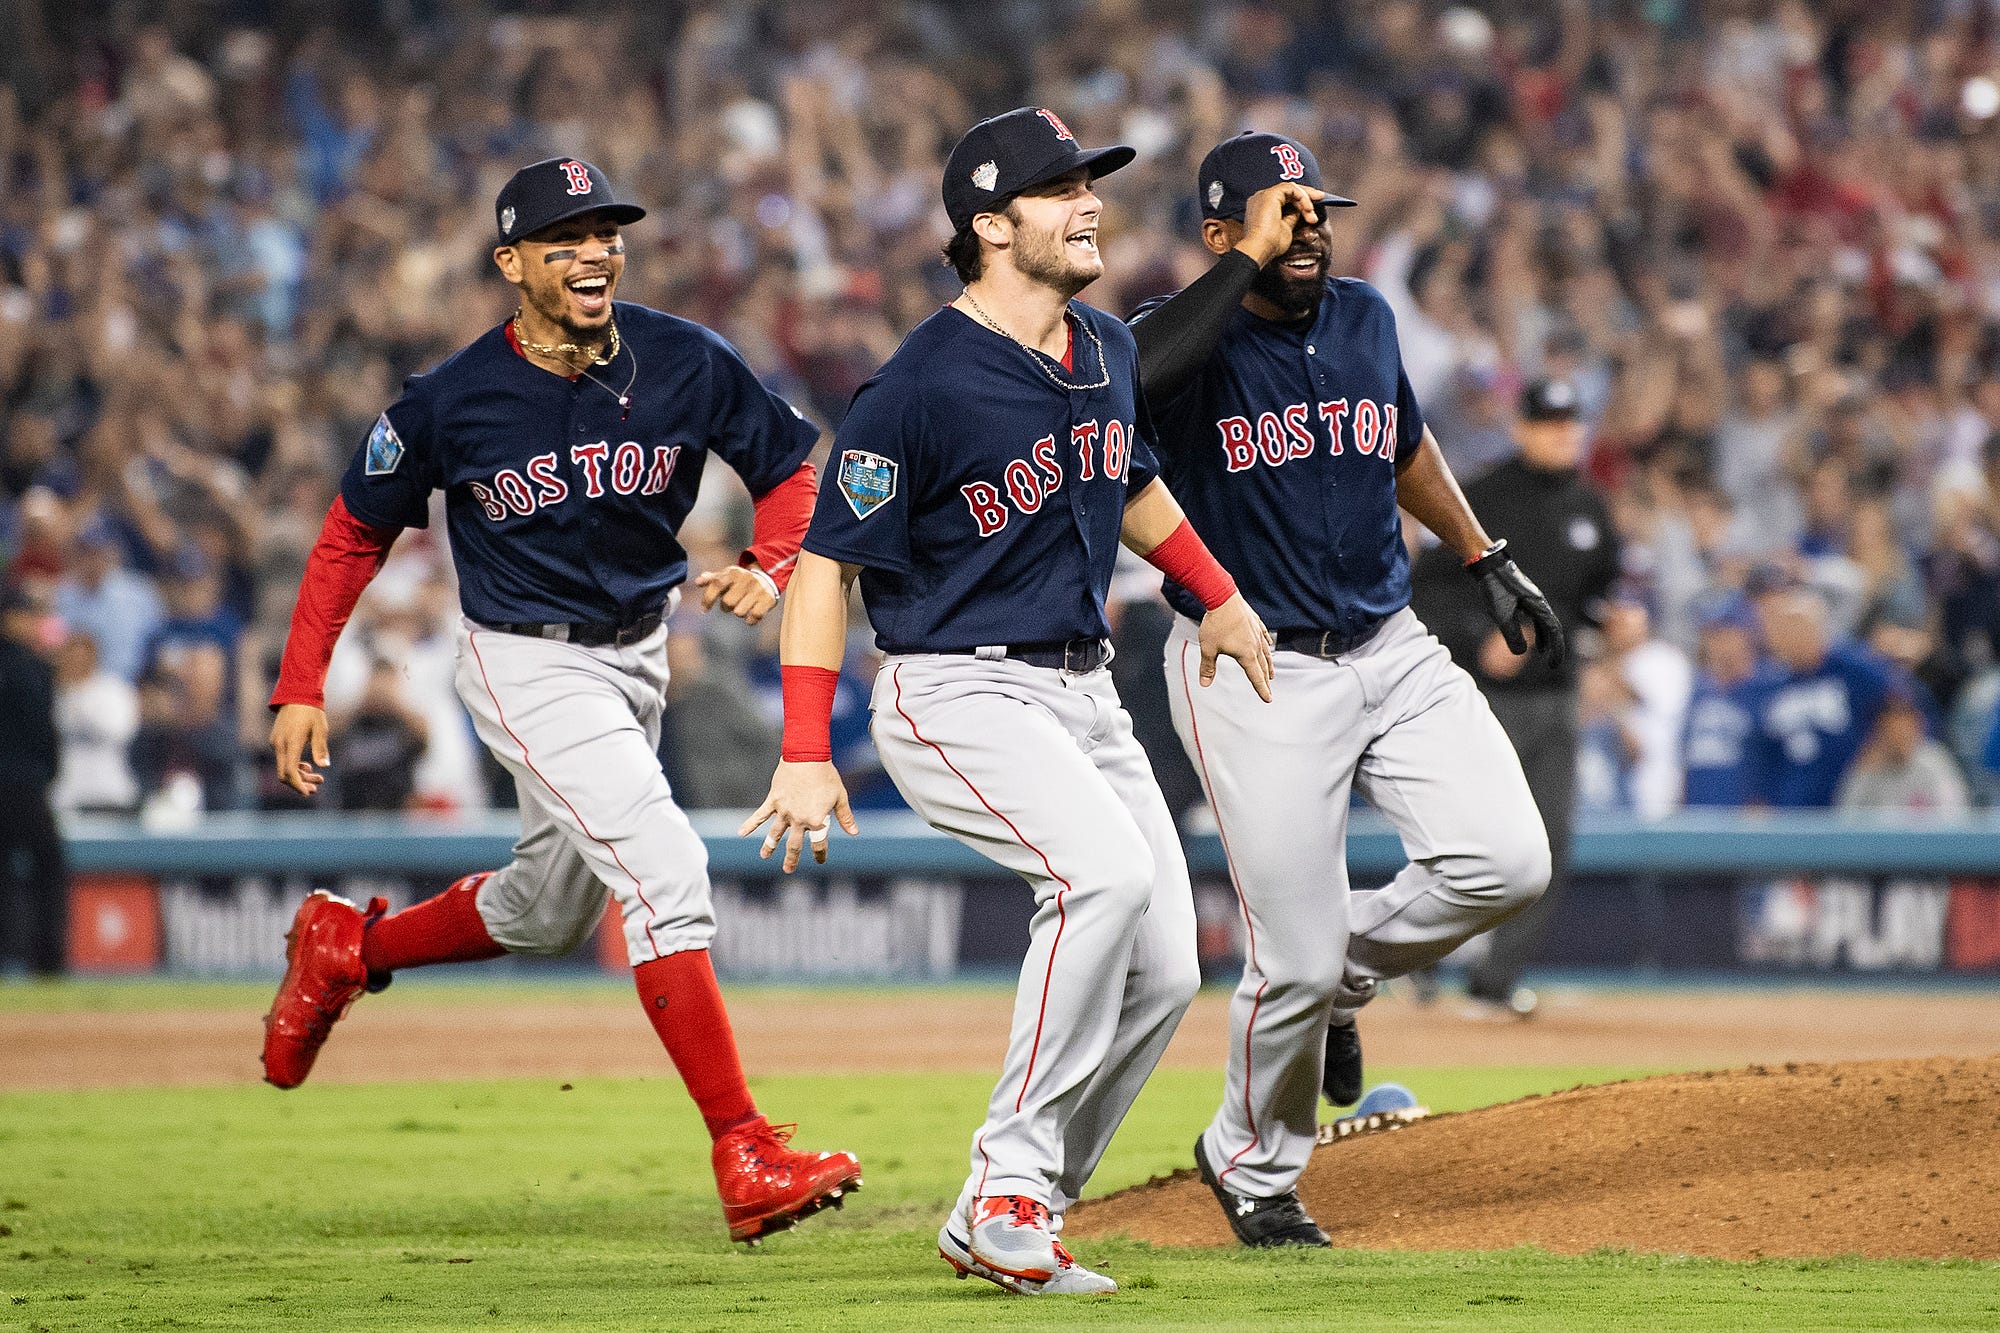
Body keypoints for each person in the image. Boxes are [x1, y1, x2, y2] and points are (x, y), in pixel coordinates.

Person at [259, 157, 860, 1246]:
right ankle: (743, 1148)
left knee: (547, 908)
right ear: (511, 264)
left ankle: (351, 948)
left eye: (605, 231)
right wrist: (302, 682)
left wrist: (773, 564)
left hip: (636, 657)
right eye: (562, 238)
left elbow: (787, 471)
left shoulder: (684, 356)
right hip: (522, 659)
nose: (593, 251)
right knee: (666, 869)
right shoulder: (451, 398)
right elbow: (355, 529)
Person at [742, 108, 1274, 1296]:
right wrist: (801, 749)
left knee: (1166, 971)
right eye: (1056, 189)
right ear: (989, 224)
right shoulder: (916, 387)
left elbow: (1128, 481)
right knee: (1100, 878)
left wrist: (1218, 595)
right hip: (953, 684)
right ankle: (1007, 1188)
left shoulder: (1107, 350)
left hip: (1079, 689)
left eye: (1088, 183)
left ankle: (1019, 1199)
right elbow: (826, 568)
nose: (1087, 203)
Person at [1128, 131, 1561, 1248]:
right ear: (1223, 234)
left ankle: (1344, 982)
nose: (1309, 228)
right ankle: (1251, 1163)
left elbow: (1404, 441)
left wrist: (1480, 551)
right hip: (1254, 664)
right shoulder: (1184, 343)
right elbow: (1131, 379)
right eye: (1283, 213)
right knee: (1291, 953)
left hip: (1389, 638)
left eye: (1317, 210)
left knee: (1507, 860)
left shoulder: (1365, 316)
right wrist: (1237, 267)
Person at [1410, 374, 1622, 1018]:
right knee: (1468, 837)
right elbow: (1427, 589)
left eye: (1571, 423)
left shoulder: (1591, 505)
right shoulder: (1481, 499)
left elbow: (1597, 594)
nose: (1564, 434)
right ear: (1522, 427)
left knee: (1552, 842)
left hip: (1558, 694)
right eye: (1550, 423)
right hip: (1485, 700)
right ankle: (1417, 962)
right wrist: (1480, 639)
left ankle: (1494, 983)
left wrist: (1614, 619)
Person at [1745, 584, 1897, 807]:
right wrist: (1758, 799)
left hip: (1849, 804)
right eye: (1785, 628)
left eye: (1800, 626)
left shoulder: (1855, 670)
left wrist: (1879, 748)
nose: (1793, 636)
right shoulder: (1771, 685)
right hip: (1791, 809)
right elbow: (1761, 751)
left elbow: (1899, 708)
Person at [0, 586, 67, 977]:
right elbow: (45, 733)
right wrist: (48, 772)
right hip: (25, 783)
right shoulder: (33, 666)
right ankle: (47, 960)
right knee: (48, 869)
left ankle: (8, 956)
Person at [1835, 692, 1970, 814]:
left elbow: (1955, 816)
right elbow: (1846, 817)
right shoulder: (1868, 765)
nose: (1898, 736)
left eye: (1903, 729)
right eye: (1891, 729)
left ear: (1917, 726)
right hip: (1877, 841)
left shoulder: (1934, 762)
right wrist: (1863, 772)